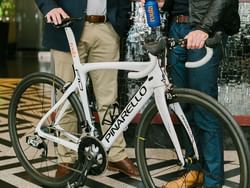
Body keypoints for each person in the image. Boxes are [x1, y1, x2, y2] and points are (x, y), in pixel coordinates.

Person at [34, 0, 140, 178]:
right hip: (66, 26)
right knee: (67, 99)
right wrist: (49, 7)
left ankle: (116, 154)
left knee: (109, 99)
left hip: (107, 29)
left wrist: (120, 22)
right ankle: (66, 159)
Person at [141, 0, 240, 187]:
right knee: (183, 108)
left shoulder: (204, 29)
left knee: (204, 109)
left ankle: (213, 181)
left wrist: (204, 28)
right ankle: (194, 171)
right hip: (176, 28)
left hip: (202, 32)